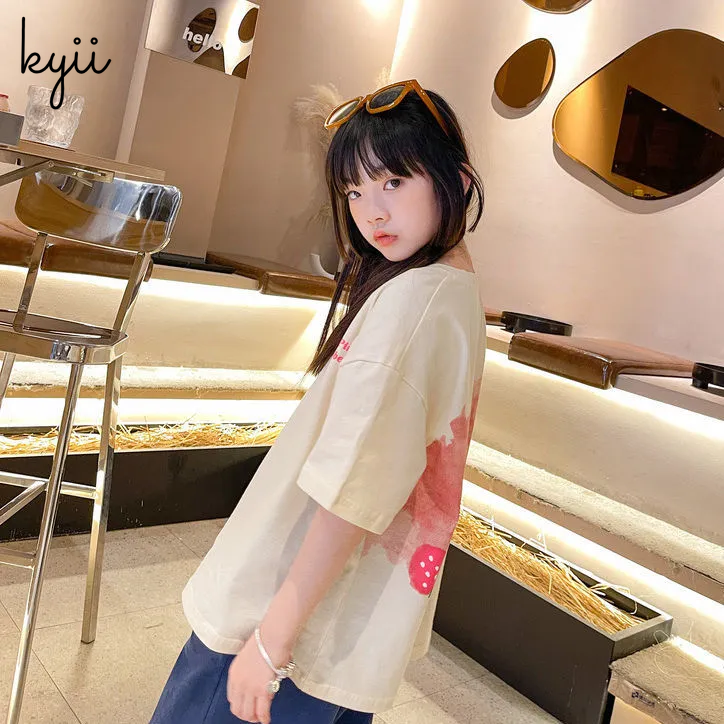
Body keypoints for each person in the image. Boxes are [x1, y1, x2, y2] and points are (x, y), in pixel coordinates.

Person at [150, 79, 486, 724]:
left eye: (393, 181)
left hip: (283, 619)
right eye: (354, 191)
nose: (371, 212)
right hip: (348, 627)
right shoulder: (453, 291)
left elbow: (351, 492)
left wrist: (269, 644)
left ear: (459, 181)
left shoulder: (413, 304)